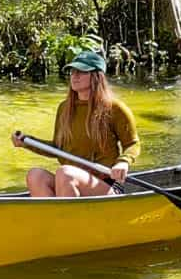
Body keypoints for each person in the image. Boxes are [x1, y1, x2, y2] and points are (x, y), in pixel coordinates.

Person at [12, 50, 141, 197]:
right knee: (35, 175)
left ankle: (66, 216)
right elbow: (57, 148)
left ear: (96, 77)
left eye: (81, 72)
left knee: (65, 173)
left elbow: (132, 144)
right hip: (69, 180)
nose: (75, 76)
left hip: (106, 185)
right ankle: (55, 218)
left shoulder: (115, 109)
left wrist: (123, 162)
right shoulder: (64, 108)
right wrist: (27, 142)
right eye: (72, 72)